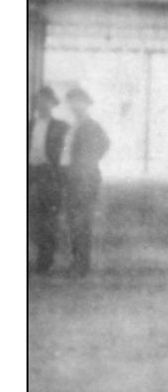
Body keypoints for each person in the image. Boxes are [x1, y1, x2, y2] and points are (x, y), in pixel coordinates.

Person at [62, 86, 111, 277]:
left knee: (82, 221)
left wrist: (89, 162)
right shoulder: (73, 125)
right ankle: (77, 261)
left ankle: (81, 264)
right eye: (72, 102)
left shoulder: (91, 125)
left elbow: (105, 144)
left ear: (86, 104)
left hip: (85, 179)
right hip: (72, 177)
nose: (75, 106)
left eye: (79, 102)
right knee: (73, 221)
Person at [28, 86, 69, 274]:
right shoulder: (28, 125)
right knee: (31, 219)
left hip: (49, 176)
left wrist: (61, 177)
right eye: (38, 101)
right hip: (29, 175)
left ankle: (45, 260)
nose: (42, 104)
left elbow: (68, 154)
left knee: (48, 219)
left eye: (46, 101)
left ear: (53, 104)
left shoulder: (62, 127)